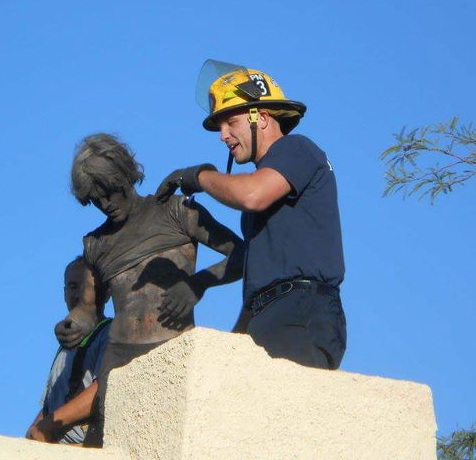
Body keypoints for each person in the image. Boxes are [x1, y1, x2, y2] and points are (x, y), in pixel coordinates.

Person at [156, 60, 346, 370]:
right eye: (220, 127)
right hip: (269, 312)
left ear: (263, 117)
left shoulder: (296, 148)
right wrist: (233, 347)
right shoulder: (268, 193)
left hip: (299, 311)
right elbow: (258, 279)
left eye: (231, 122)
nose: (223, 135)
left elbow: (252, 195)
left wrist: (199, 176)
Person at [57, 133, 243, 446]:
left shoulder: (175, 211)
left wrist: (197, 284)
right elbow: (89, 310)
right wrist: (72, 325)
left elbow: (242, 254)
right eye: (95, 200)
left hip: (173, 350)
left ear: (124, 175)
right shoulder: (95, 244)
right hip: (118, 360)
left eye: (109, 193)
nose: (105, 205)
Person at [26, 257, 111, 445]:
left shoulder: (109, 333)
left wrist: (47, 425)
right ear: (64, 293)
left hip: (85, 445)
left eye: (86, 287)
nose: (78, 294)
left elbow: (103, 390)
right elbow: (51, 404)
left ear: (106, 293)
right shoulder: (65, 346)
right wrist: (34, 431)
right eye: (72, 287)